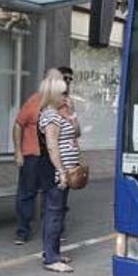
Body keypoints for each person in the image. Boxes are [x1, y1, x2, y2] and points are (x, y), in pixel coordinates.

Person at [12, 68, 63, 245]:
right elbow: (18, 125)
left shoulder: (63, 104)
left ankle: (53, 230)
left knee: (53, 194)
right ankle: (23, 230)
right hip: (32, 155)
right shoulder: (33, 101)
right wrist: (18, 151)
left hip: (52, 157)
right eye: (54, 80)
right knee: (27, 193)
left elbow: (72, 132)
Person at [39, 76, 80, 273]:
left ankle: (53, 252)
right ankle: (50, 258)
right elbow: (52, 145)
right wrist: (61, 171)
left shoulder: (61, 114)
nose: (66, 96)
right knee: (54, 213)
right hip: (57, 173)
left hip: (66, 172)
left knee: (58, 212)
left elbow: (77, 133)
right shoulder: (50, 115)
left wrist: (71, 114)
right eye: (63, 93)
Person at [56, 66, 80, 240]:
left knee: (63, 198)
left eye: (70, 79)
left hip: (69, 159)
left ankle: (59, 229)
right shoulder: (50, 101)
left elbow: (77, 132)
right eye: (65, 78)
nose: (68, 82)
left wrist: (71, 113)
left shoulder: (69, 102)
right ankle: (52, 232)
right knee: (55, 197)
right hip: (55, 158)